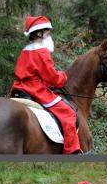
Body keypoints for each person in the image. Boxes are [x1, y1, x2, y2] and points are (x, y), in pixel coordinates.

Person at [10, 16, 82, 154]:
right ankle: (72, 151)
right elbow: (53, 78)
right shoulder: (41, 51)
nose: (49, 36)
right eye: (47, 33)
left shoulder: (25, 51)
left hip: (19, 88)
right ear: (39, 33)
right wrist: (64, 76)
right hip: (35, 90)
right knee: (68, 114)